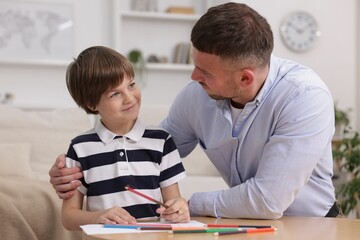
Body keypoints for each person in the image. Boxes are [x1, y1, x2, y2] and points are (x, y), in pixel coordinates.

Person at [50, 3, 340, 219]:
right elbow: (153, 151)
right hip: (242, 223)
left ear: (245, 78)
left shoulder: (304, 98)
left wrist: (191, 203)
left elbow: (267, 201)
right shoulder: (195, 96)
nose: (192, 77)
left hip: (311, 225)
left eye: (204, 72)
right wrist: (71, 175)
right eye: (195, 64)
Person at [60, 46, 189, 231]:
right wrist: (98, 217)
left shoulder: (162, 141)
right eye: (115, 94)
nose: (129, 98)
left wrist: (179, 208)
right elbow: (68, 217)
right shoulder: (80, 147)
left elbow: (173, 200)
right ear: (92, 104)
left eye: (131, 85)